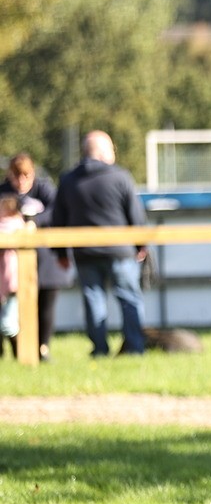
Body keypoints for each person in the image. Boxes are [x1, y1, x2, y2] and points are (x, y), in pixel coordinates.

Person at [51, 131, 148, 357]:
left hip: (84, 252)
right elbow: (135, 215)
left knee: (93, 301)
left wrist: (61, 253)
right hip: (120, 251)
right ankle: (134, 348)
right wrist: (141, 244)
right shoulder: (120, 177)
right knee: (129, 298)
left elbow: (59, 219)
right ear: (104, 152)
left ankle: (99, 349)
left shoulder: (68, 180)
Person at [1, 153, 67, 362]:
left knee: (45, 306)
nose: (21, 181)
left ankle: (42, 348)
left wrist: (34, 222)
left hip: (45, 259)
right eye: (16, 176)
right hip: (9, 265)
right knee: (10, 311)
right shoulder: (4, 192)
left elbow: (57, 212)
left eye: (26, 176)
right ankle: (15, 351)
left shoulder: (45, 190)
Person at [0, 195, 24, 358]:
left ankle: (19, 353)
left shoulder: (13, 229)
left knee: (8, 322)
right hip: (12, 282)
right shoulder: (22, 227)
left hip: (10, 282)